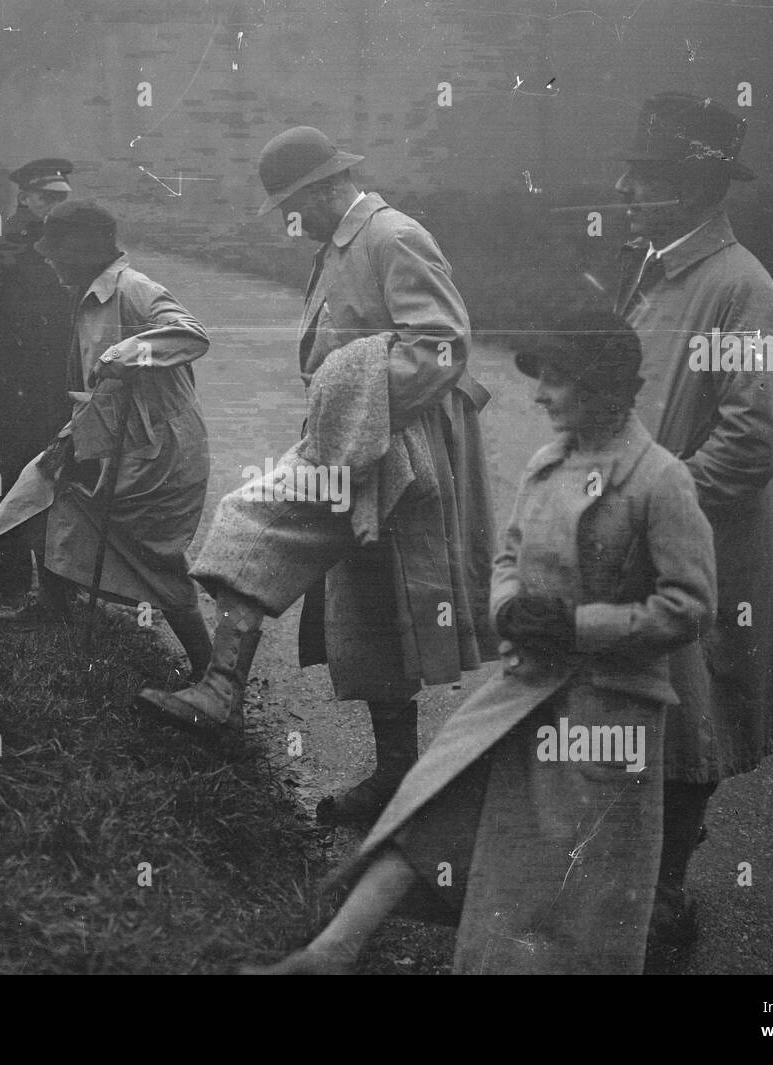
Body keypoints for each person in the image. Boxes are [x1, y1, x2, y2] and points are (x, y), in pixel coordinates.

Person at [244, 309, 717, 974]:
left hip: (607, 716)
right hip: (525, 691)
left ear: (605, 388)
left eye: (557, 381)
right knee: (434, 806)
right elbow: (508, 557)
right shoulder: (548, 464)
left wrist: (580, 627)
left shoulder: (660, 480)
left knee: (562, 896)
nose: (540, 395)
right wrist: (507, 609)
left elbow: (689, 607)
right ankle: (330, 952)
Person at [136, 125, 498, 826]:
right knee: (368, 607)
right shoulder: (339, 245)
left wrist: (353, 386)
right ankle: (391, 777)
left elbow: (443, 347)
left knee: (260, 521)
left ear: (334, 185)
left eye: (298, 203)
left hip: (396, 449)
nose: (291, 221)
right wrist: (344, 398)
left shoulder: (393, 237)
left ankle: (219, 690)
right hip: (352, 446)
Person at [611, 92, 773, 963]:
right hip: (639, 536)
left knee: (692, 712)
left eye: (644, 177)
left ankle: (665, 890)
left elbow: (755, 434)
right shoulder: (655, 267)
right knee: (642, 702)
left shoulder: (743, 289)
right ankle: (638, 870)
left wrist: (661, 502)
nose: (625, 188)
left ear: (694, 185)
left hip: (701, 544)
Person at [21, 200, 214, 678]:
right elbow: (100, 396)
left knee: (156, 558)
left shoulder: (133, 289)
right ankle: (55, 605)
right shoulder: (89, 293)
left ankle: (210, 672)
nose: (51, 261)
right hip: (123, 440)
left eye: (58, 252)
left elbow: (191, 334)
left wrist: (130, 351)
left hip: (160, 451)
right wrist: (68, 441)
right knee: (40, 495)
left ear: (85, 251)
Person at [0, 159, 75, 621]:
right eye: (46, 197)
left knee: (60, 486)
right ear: (25, 197)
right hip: (13, 389)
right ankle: (15, 594)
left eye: (60, 198)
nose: (53, 206)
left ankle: (58, 594)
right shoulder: (5, 241)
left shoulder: (68, 243)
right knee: (15, 485)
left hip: (57, 384)